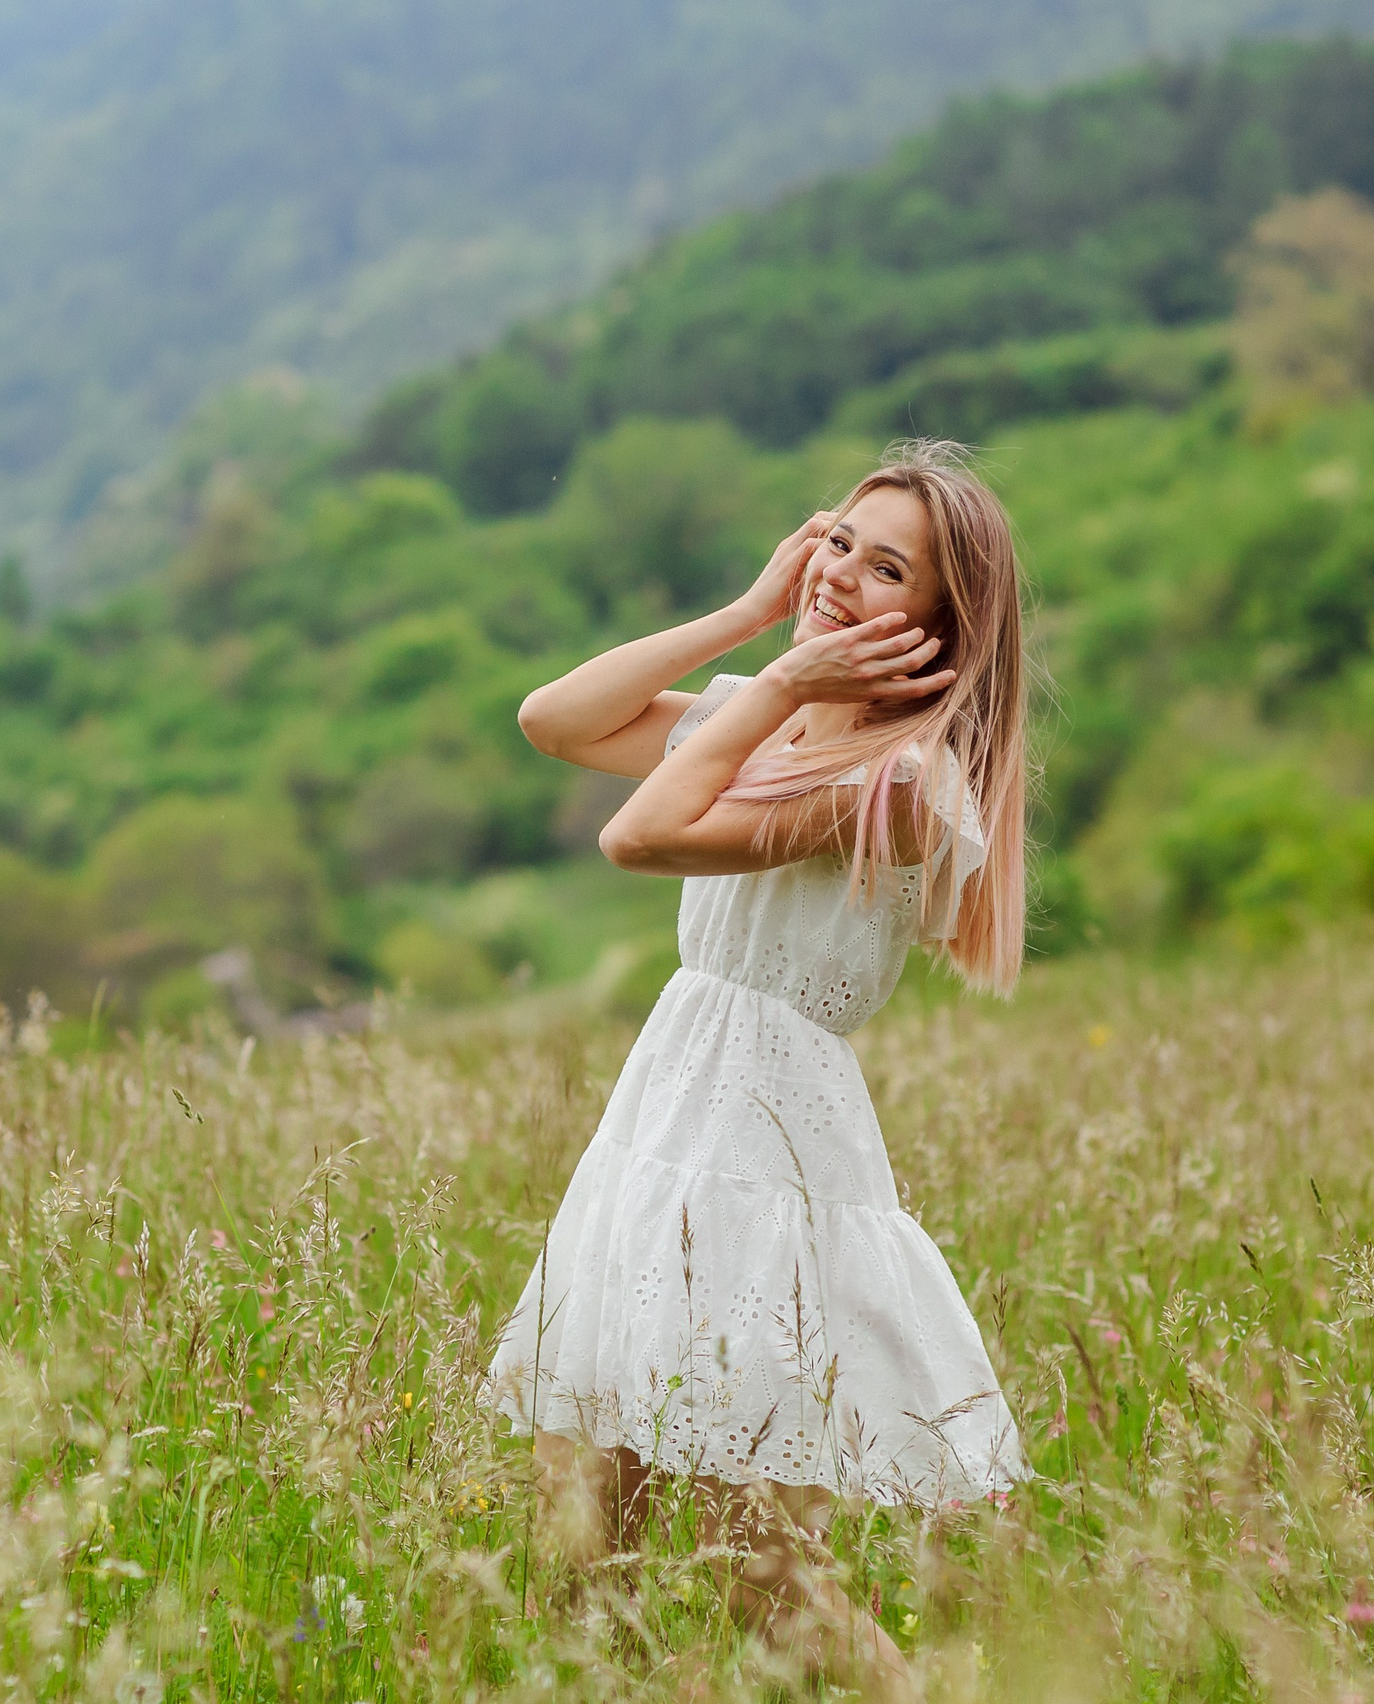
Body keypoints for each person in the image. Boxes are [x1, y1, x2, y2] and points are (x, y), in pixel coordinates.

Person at [486, 441, 1030, 1694]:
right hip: (661, 1124)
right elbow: (554, 720)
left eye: (884, 568)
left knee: (763, 1572)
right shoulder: (777, 719)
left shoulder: (901, 781)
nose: (842, 573)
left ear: (938, 626)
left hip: (765, 1152)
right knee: (579, 1537)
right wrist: (748, 620)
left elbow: (642, 832)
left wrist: (778, 674)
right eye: (838, 540)